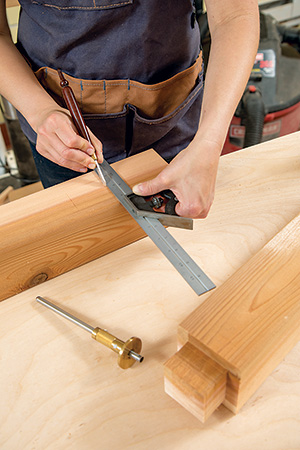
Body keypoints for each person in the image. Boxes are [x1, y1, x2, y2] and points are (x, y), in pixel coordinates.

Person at [0, 0, 259, 218]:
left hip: (176, 125)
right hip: (62, 139)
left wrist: (209, 143)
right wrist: (40, 111)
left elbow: (235, 15)